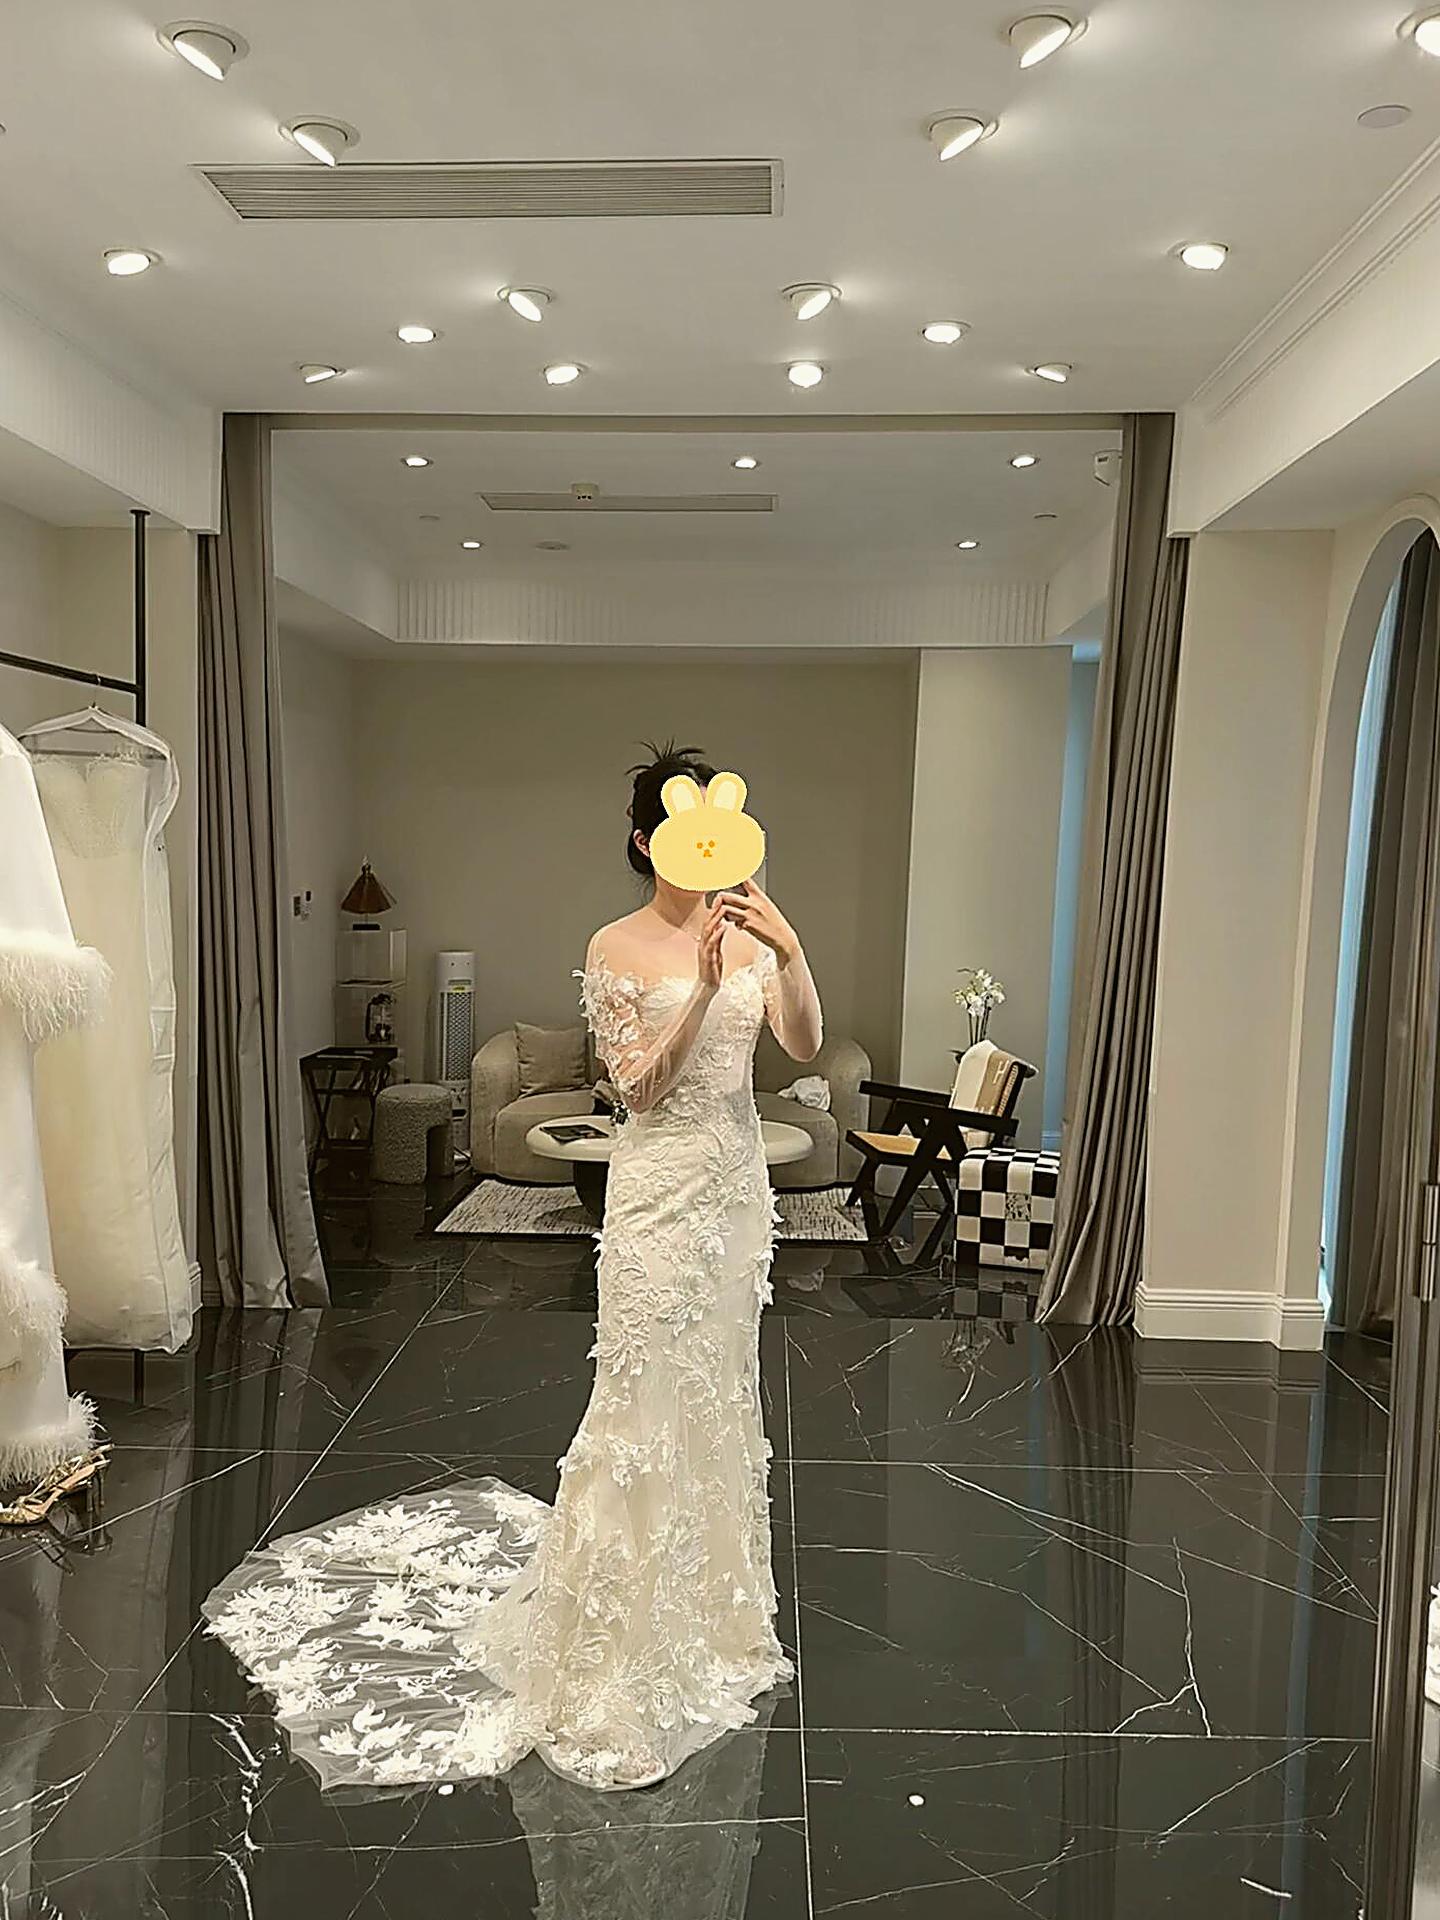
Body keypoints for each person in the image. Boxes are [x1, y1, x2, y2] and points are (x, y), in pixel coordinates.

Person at [203, 742, 823, 1795]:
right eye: (683, 836)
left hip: (734, 1196)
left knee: (717, 1392)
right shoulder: (618, 944)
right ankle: (610, 1653)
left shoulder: (755, 928)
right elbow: (637, 1089)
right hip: (658, 1189)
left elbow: (801, 1046)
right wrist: (703, 989)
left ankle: (710, 1618)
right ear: (648, 841)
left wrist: (789, 951)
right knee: (640, 1395)